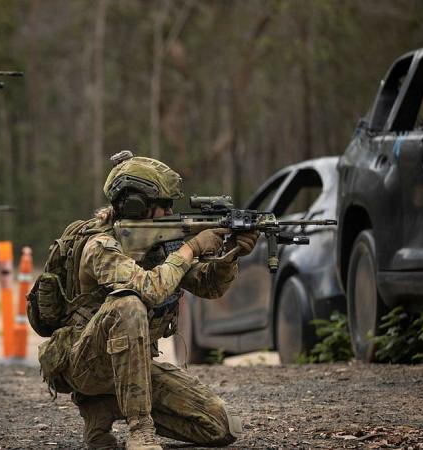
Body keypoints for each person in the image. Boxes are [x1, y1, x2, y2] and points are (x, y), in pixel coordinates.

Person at [36, 152, 259, 449]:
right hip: (85, 365)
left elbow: (208, 287)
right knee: (128, 305)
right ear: (135, 205)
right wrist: (192, 248)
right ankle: (140, 430)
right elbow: (150, 289)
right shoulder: (100, 246)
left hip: (132, 368)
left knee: (220, 427)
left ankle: (104, 407)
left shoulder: (159, 246)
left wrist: (230, 256)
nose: (170, 212)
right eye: (164, 205)